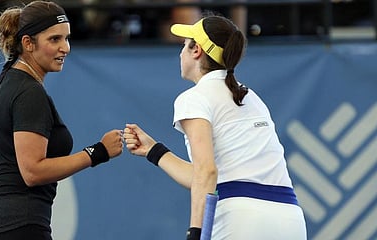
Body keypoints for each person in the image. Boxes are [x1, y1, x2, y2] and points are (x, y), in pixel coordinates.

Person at [123, 14, 307, 240]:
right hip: (291, 219)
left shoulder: (193, 98)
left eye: (184, 45)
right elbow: (207, 176)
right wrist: (154, 150)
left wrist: (195, 232)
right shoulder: (252, 97)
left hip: (240, 219)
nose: (180, 52)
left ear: (196, 50)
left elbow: (206, 172)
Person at [0, 1, 123, 239]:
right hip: (19, 227)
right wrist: (96, 152)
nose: (65, 48)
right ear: (28, 43)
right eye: (54, 39)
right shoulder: (29, 92)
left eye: (67, 38)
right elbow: (32, 171)